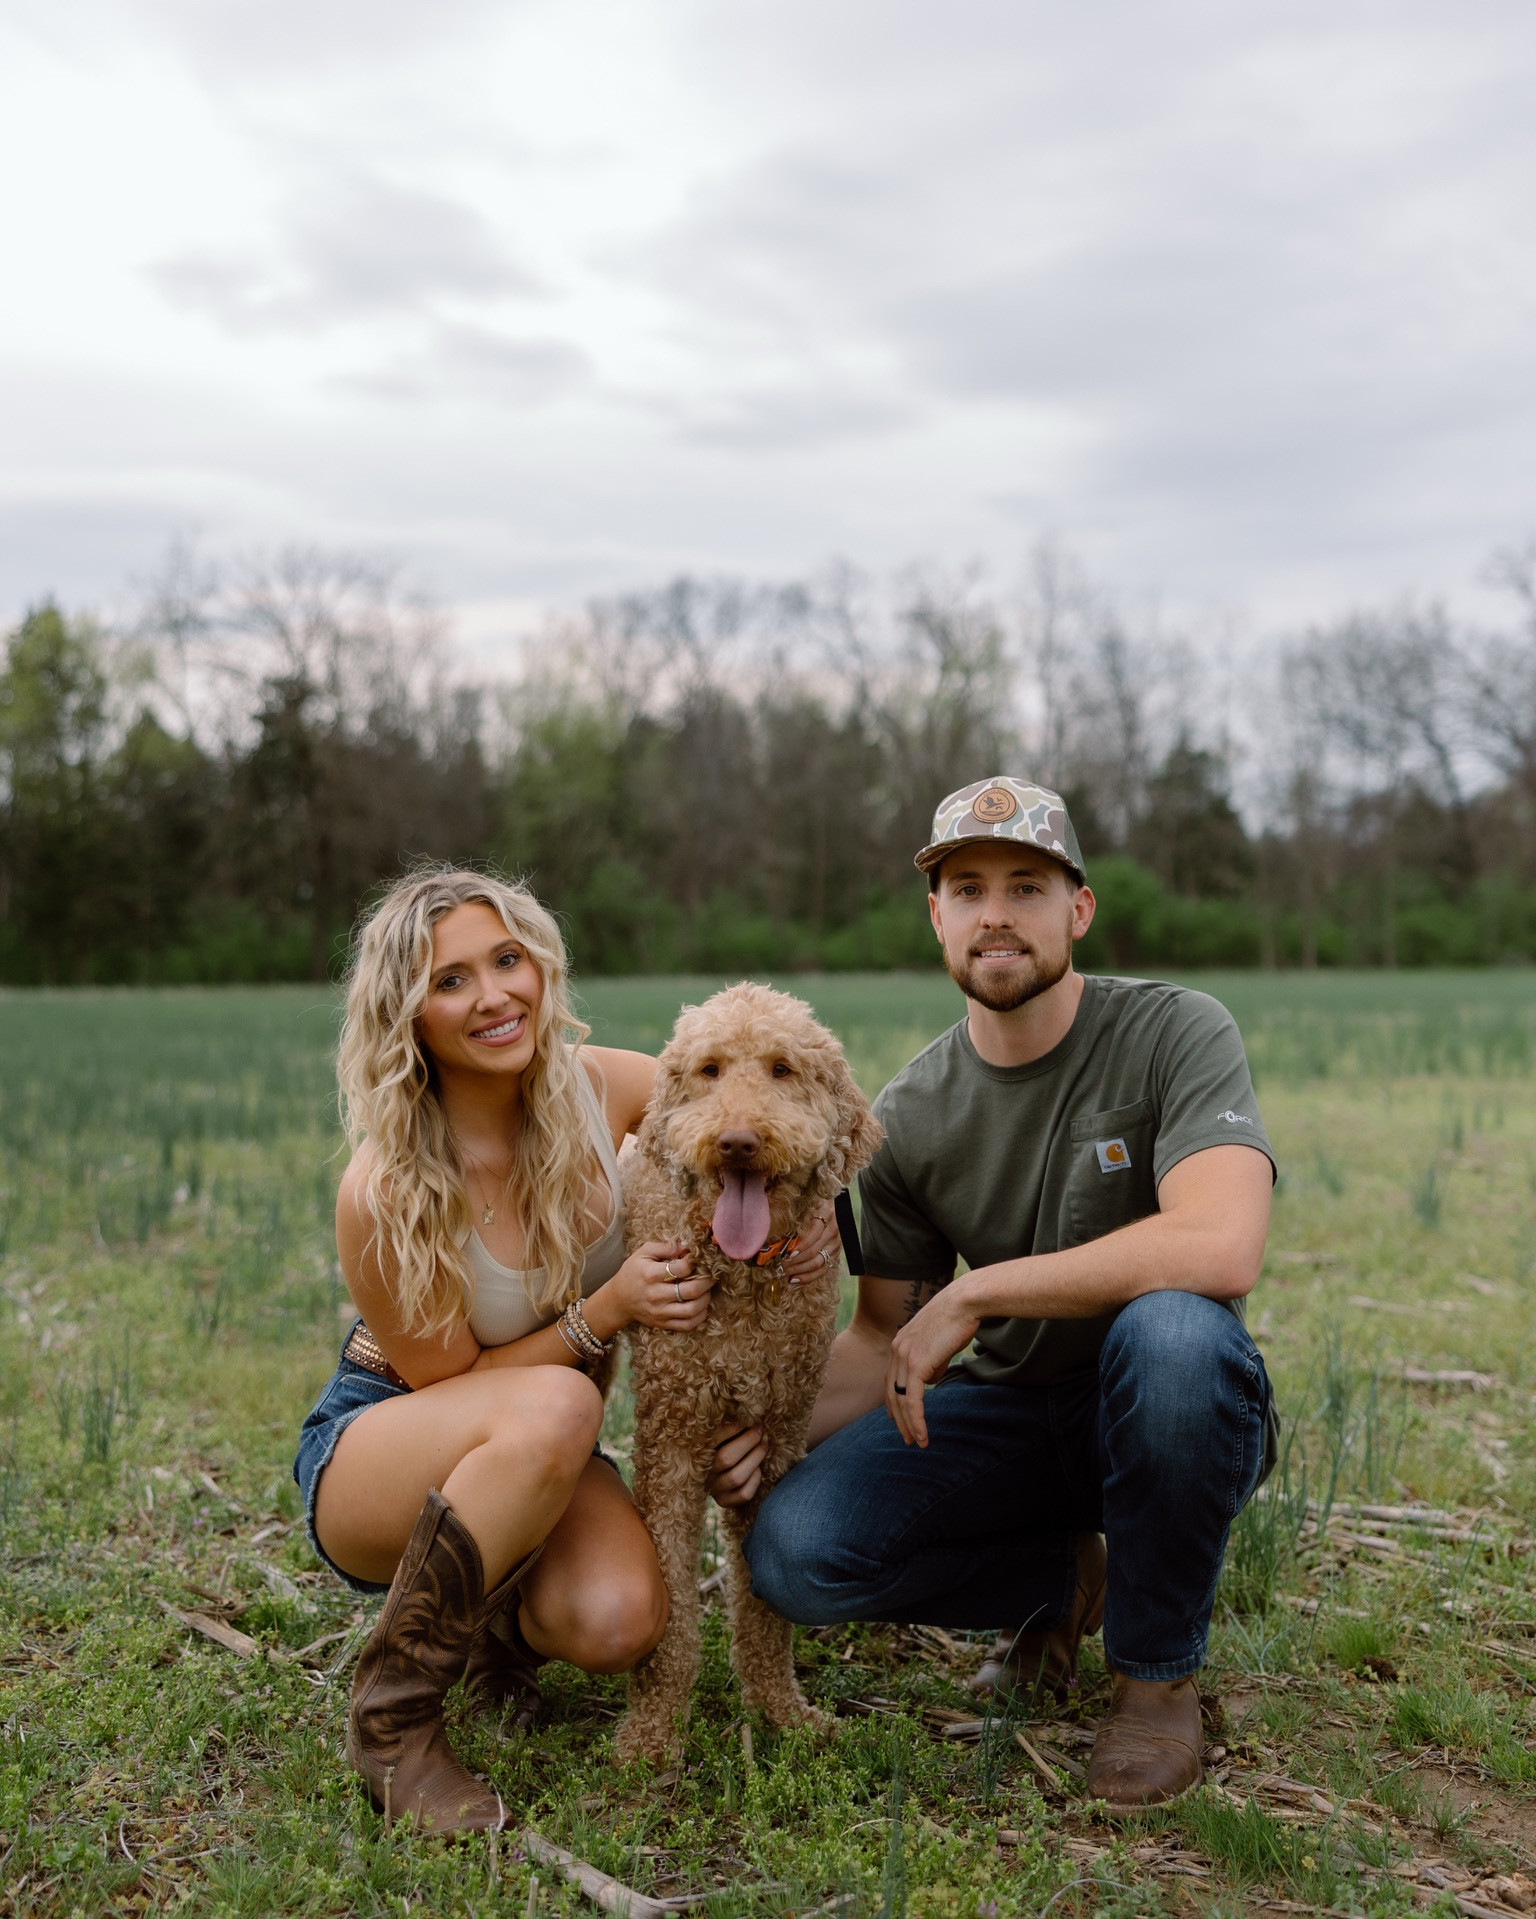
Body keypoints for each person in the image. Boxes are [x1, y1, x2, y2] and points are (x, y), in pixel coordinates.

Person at [724, 777, 1276, 1815]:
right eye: (967, 888)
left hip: (1167, 1406)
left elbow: (1223, 1241)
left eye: (1027, 886)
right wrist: (763, 1426)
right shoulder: (912, 1113)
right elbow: (882, 1334)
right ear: (936, 916)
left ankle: (1156, 1680)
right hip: (1012, 1420)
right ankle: (1059, 1580)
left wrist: (980, 1295)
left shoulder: (1175, 1031)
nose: (995, 914)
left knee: (1170, 1336)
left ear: (1079, 908)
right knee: (794, 1552)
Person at [293, 869, 839, 1834]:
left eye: (508, 961)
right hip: (390, 1441)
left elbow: (745, 1116)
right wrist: (606, 1311)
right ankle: (394, 1721)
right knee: (559, 1401)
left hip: (549, 1447)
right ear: (406, 1011)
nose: (495, 994)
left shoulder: (604, 1088)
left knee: (622, 1617)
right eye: (451, 978)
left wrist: (819, 1231)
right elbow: (456, 1388)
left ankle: (495, 1630)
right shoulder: (383, 1186)